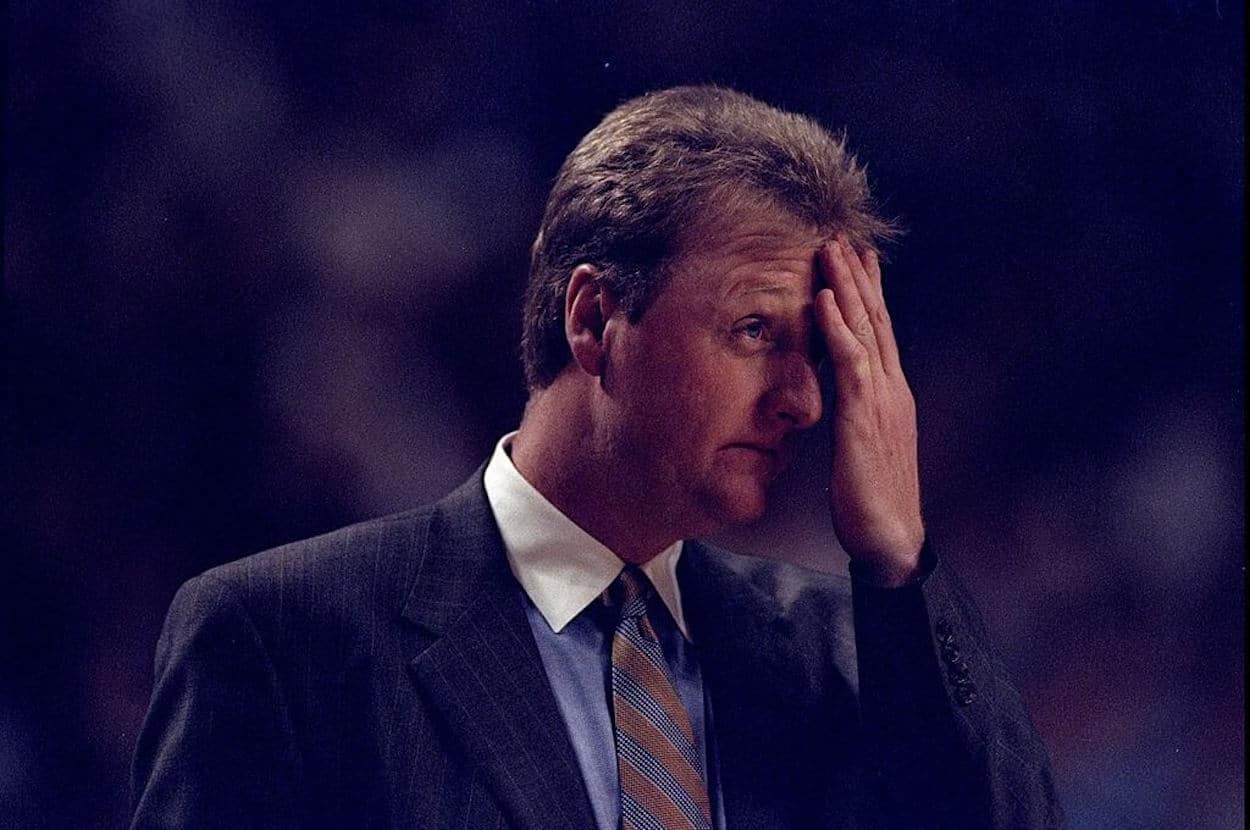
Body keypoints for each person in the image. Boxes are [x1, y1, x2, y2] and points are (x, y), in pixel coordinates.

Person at [130, 86, 1062, 829]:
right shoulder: (286, 638)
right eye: (752, 330)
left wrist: (900, 564)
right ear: (593, 318)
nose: (806, 400)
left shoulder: (840, 650)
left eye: (818, 354)